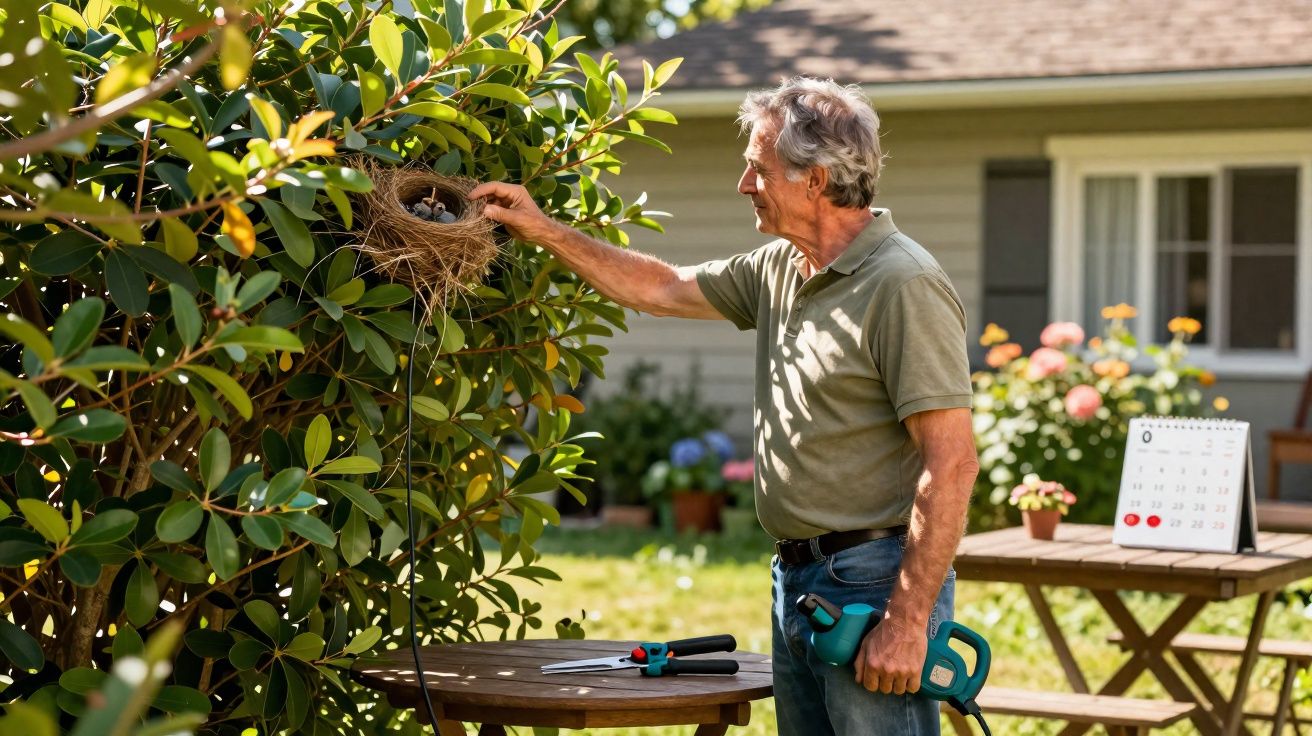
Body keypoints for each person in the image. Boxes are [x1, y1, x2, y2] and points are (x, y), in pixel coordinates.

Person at [470, 76, 978, 736]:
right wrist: (545, 230)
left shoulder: (903, 284)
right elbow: (663, 287)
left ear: (814, 180)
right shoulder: (779, 268)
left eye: (758, 169)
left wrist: (908, 620)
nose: (744, 185)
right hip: (798, 579)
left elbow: (953, 462)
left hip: (873, 588)